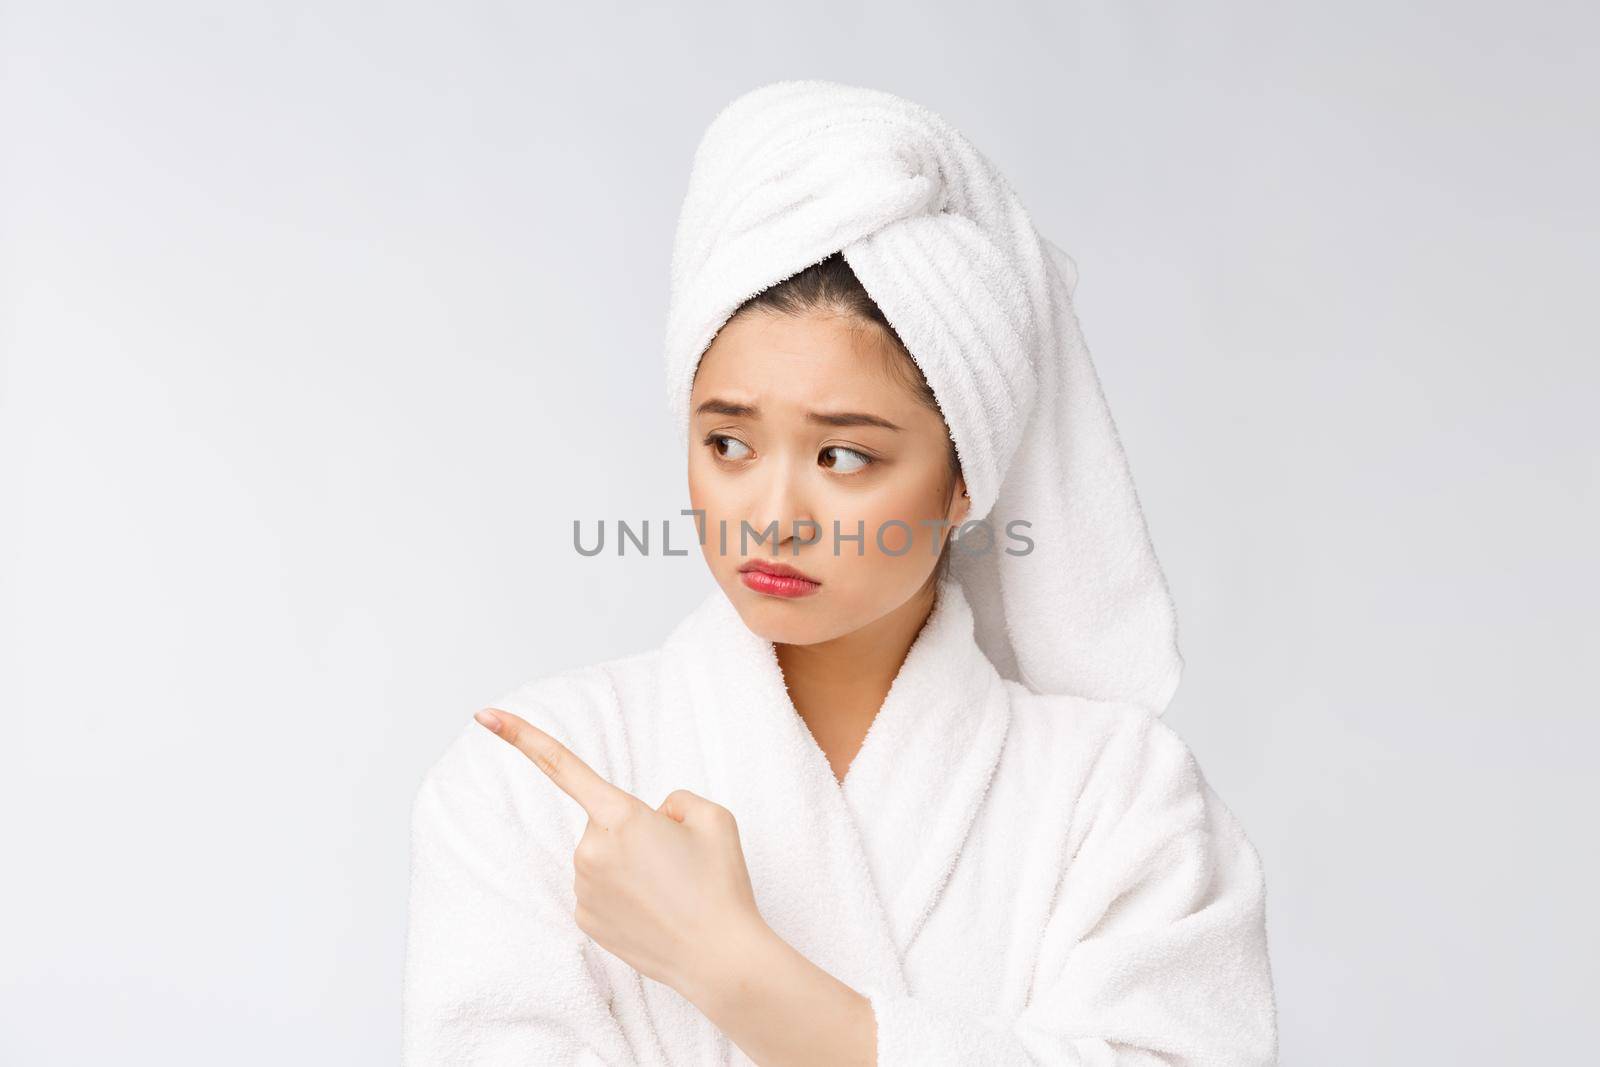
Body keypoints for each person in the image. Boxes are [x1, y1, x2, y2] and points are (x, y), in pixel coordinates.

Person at [403, 82, 1278, 1067]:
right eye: (728, 442)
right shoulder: (542, 784)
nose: (771, 517)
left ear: (962, 482)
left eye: (843, 457)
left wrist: (733, 969)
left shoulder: (1117, 796)